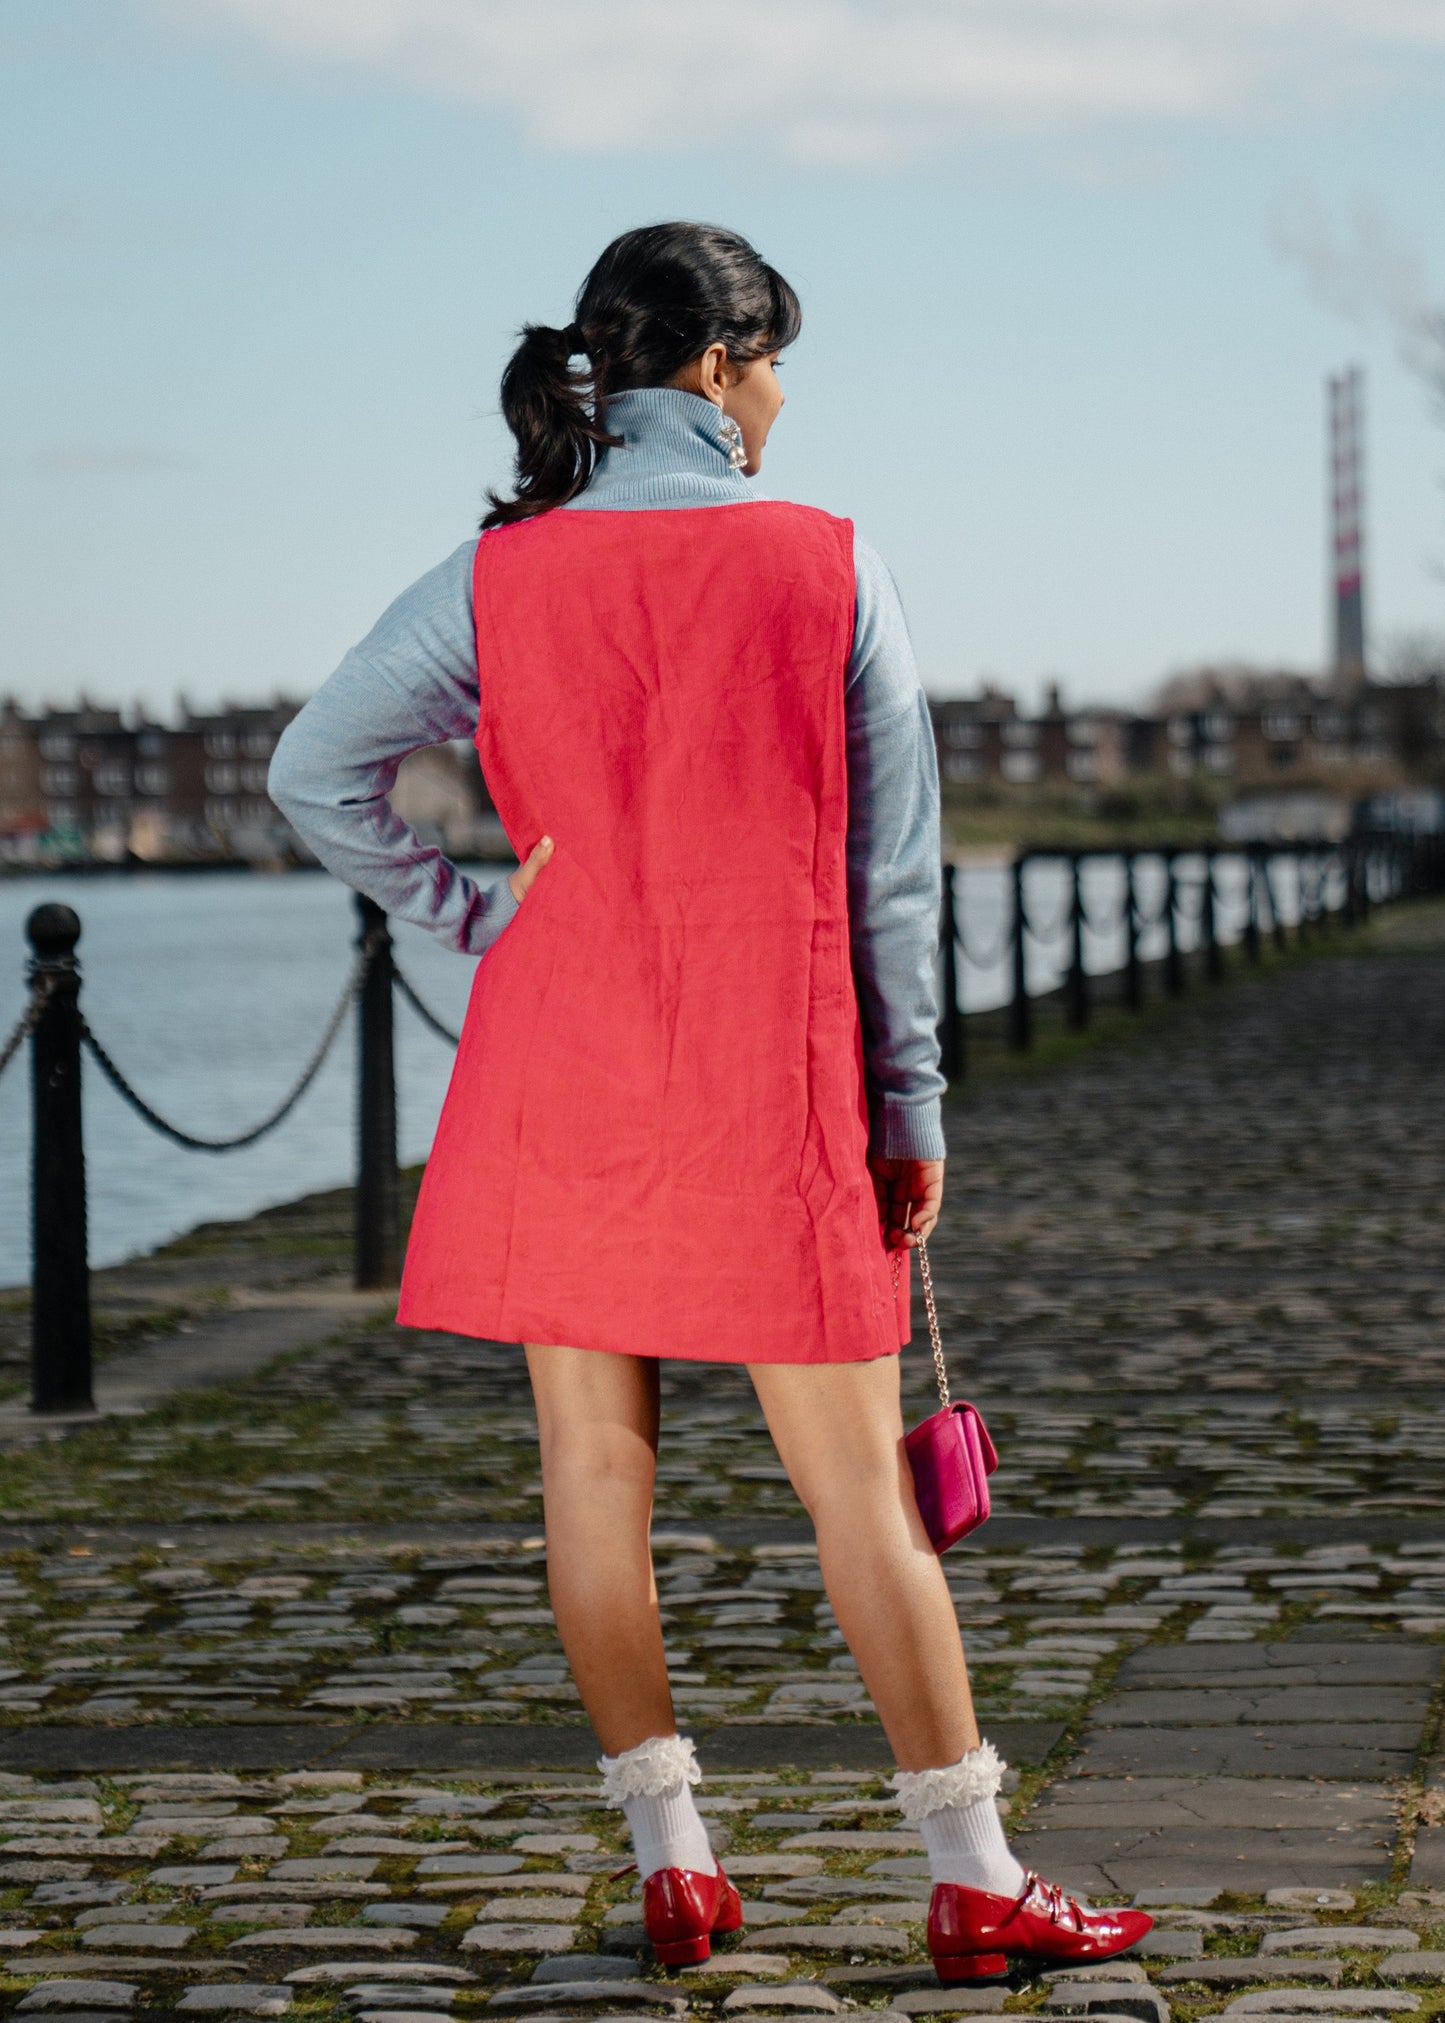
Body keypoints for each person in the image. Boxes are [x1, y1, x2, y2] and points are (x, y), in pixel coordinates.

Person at [268, 221, 1150, 1981]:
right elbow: (894, 885)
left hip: (559, 1066)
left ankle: (676, 1863)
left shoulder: (493, 571)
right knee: (860, 1504)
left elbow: (316, 773)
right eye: (777, 365)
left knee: (591, 1479)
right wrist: (912, 1112)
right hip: (774, 1074)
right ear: (729, 365)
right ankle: (971, 1872)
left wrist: (477, 918)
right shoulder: (829, 562)